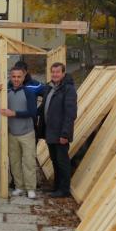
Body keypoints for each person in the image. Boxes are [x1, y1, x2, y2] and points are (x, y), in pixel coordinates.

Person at [37, 62, 77, 198]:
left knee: (62, 161)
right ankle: (56, 187)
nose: (55, 74)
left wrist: (65, 134)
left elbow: (70, 113)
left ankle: (64, 189)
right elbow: (43, 107)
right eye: (53, 72)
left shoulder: (68, 89)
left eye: (57, 72)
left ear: (63, 73)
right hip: (50, 131)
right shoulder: (49, 87)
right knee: (54, 160)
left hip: (61, 133)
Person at [0, 67, 39, 199]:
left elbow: (33, 112)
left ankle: (31, 188)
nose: (16, 79)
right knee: (14, 162)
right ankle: (19, 187)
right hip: (12, 134)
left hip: (27, 133)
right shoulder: (7, 93)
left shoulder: (29, 92)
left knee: (28, 161)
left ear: (23, 77)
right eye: (14, 76)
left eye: (19, 77)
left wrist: (14, 113)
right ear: (10, 77)